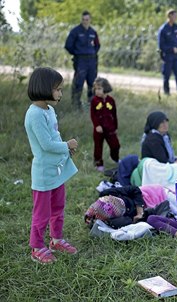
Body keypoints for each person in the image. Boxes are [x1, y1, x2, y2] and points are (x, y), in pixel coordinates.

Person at [24, 67, 79, 264]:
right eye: (57, 89)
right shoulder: (34, 115)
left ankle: (56, 240)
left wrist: (65, 150)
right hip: (44, 173)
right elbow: (46, 144)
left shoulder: (50, 110)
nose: (60, 94)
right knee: (42, 213)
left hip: (57, 170)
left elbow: (54, 137)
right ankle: (37, 247)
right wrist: (67, 145)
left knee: (58, 206)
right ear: (44, 88)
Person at [65, 10, 100, 110]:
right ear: (81, 19)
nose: (85, 21)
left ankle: (91, 105)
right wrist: (77, 53)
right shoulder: (75, 31)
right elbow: (68, 45)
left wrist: (93, 53)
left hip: (92, 61)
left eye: (87, 19)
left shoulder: (93, 32)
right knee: (78, 83)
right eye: (83, 19)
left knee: (92, 83)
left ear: (90, 20)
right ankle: (76, 105)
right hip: (80, 60)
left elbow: (97, 45)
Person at [90, 77, 120, 172]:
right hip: (99, 129)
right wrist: (97, 125)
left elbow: (114, 114)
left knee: (116, 145)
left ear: (105, 88)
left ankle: (115, 158)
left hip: (110, 128)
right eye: (95, 89)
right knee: (98, 147)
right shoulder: (94, 101)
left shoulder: (111, 100)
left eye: (99, 89)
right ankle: (99, 164)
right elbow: (93, 114)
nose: (97, 91)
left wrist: (115, 127)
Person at [158, 9, 177, 96]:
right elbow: (161, 45)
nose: (176, 17)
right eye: (174, 16)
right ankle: (166, 92)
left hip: (175, 55)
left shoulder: (176, 27)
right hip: (167, 55)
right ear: (169, 16)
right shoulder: (163, 29)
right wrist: (170, 49)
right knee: (167, 75)